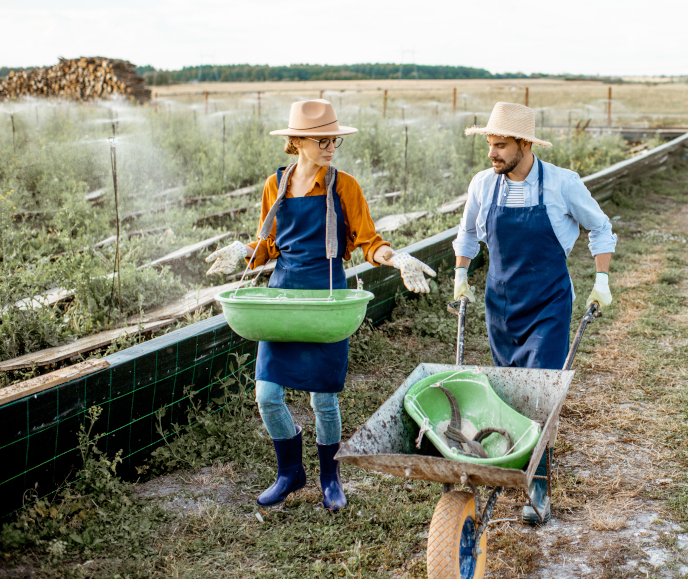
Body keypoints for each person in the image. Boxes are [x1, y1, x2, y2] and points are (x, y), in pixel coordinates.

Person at [205, 99, 436, 510]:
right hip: (283, 297)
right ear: (296, 142)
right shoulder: (275, 185)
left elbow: (368, 241)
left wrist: (395, 257)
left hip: (326, 298)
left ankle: (331, 479)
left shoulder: (344, 186)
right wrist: (243, 248)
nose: (330, 146)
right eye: (321, 140)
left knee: (323, 398)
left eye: (334, 140)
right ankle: (290, 472)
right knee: (266, 394)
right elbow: (270, 244)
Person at [452, 101, 616, 523]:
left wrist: (601, 281)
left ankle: (538, 490)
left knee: (538, 395)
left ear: (525, 144)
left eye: (502, 145)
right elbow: (468, 233)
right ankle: (511, 466)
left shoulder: (562, 184)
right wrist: (460, 275)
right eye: (489, 144)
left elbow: (600, 226)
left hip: (547, 304)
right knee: (507, 394)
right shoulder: (484, 186)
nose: (493, 153)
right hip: (500, 305)